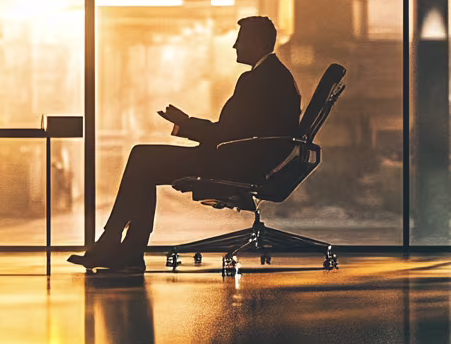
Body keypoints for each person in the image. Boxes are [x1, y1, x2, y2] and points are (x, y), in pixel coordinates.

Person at [71, 15, 301, 272]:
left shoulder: (256, 80)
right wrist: (186, 123)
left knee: (142, 158)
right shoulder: (275, 76)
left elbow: (227, 134)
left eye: (239, 40)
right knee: (144, 163)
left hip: (232, 162)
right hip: (243, 159)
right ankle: (123, 248)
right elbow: (236, 131)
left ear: (256, 41)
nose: (234, 46)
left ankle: (118, 246)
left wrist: (186, 123)